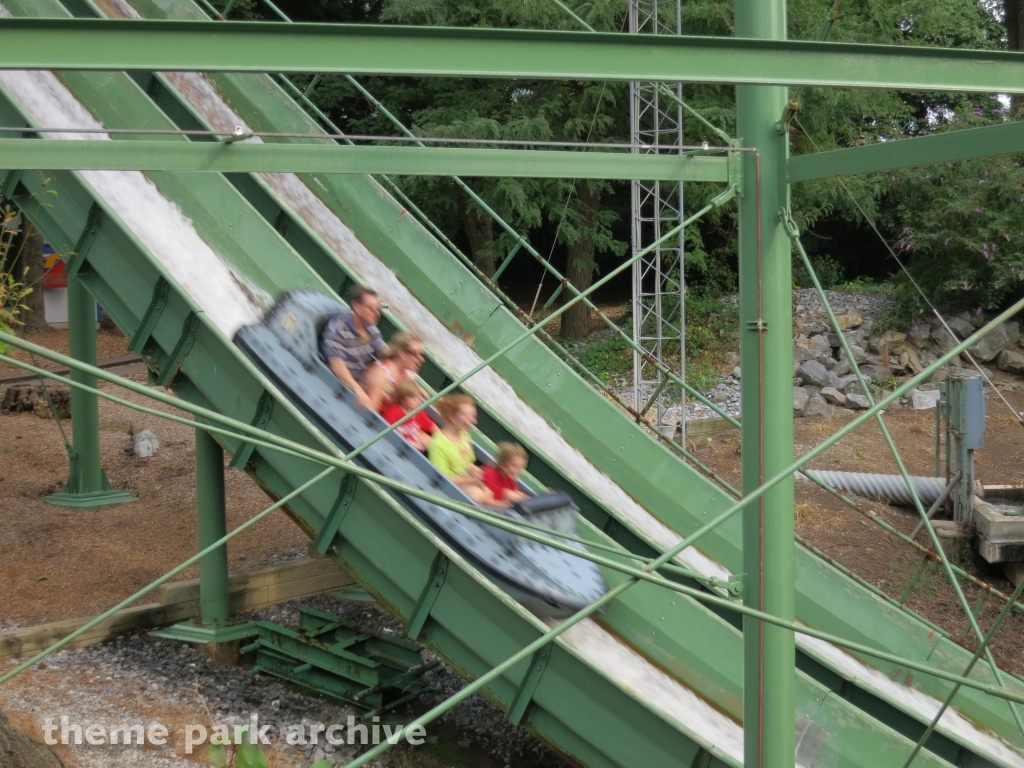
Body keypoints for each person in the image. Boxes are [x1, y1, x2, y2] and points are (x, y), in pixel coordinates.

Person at [428, 394, 503, 506]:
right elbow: (440, 477)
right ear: (452, 417)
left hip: (467, 480)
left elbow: (467, 463)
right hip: (449, 488)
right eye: (466, 415)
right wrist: (467, 480)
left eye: (473, 416)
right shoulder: (439, 444)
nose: (472, 421)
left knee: (490, 492)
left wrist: (476, 471)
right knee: (480, 496)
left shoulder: (464, 435)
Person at [320, 286, 384, 409]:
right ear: (357, 307)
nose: (377, 313)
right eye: (371, 309)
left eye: (377, 309)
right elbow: (336, 365)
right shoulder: (338, 329)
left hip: (362, 384)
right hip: (339, 390)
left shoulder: (372, 330)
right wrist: (358, 389)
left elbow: (387, 355)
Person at [364, 331, 426, 409]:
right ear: (401, 353)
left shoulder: (408, 374)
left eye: (421, 354)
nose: (421, 359)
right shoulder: (381, 374)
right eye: (415, 354)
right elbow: (371, 410)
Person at [380, 379, 437, 453]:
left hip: (417, 448)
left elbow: (434, 428)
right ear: (403, 399)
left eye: (418, 398)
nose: (417, 401)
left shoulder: (418, 412)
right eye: (413, 398)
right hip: (398, 446)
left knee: (429, 440)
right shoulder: (393, 412)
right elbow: (384, 430)